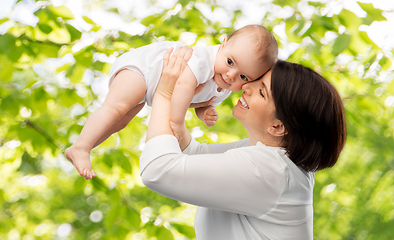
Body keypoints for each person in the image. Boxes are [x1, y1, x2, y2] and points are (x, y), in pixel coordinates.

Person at [140, 47, 346, 239]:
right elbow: (194, 154)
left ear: (278, 127)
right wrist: (180, 100)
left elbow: (156, 170)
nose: (246, 86)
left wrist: (164, 92)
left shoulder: (271, 171)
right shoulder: (269, 156)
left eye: (262, 91)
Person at [65, 25, 278, 179]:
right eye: (230, 62)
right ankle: (82, 147)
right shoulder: (203, 60)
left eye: (243, 77)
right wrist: (176, 122)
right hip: (143, 69)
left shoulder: (223, 84)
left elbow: (197, 100)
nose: (231, 75)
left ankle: (83, 147)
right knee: (115, 109)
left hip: (151, 90)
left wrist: (205, 112)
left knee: (120, 122)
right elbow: (184, 86)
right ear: (223, 45)